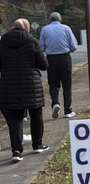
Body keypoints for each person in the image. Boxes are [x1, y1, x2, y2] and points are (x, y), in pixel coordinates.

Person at [0, 18, 49, 162]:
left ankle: (16, 151)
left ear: (13, 27)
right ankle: (37, 144)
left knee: (14, 118)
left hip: (8, 84)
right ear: (27, 27)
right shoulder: (32, 41)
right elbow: (44, 65)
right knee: (36, 113)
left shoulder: (2, 42)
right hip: (31, 84)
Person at [39, 12, 78, 119]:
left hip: (51, 58)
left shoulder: (44, 29)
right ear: (60, 20)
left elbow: (41, 47)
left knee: (53, 83)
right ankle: (67, 110)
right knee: (67, 84)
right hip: (65, 58)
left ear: (50, 20)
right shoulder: (66, 28)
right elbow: (74, 46)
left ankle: (55, 103)